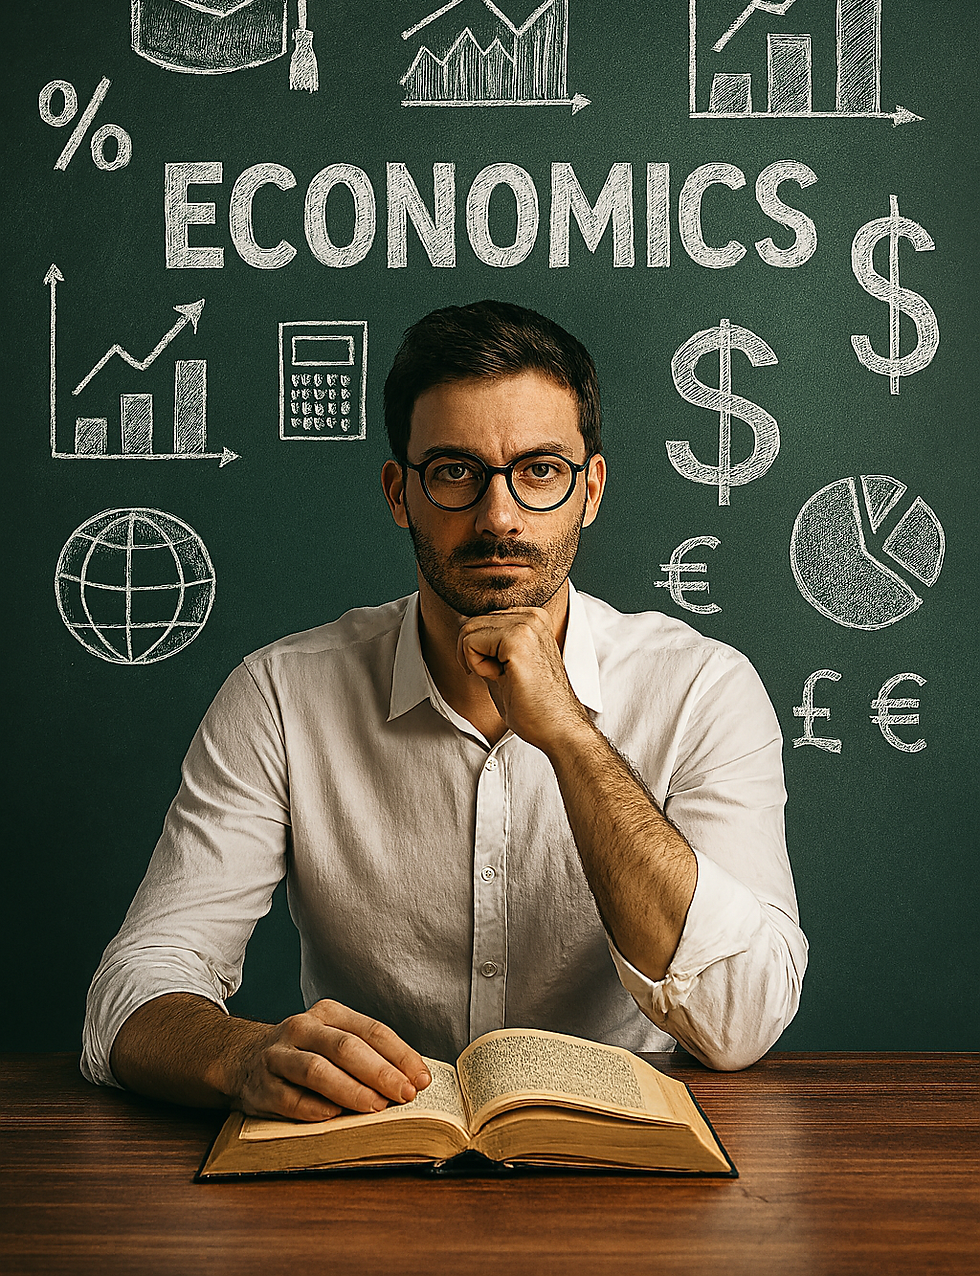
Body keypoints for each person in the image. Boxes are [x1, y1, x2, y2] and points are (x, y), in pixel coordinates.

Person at [82, 299, 806, 1121]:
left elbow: (742, 1021)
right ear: (400, 491)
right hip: (365, 1160)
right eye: (456, 471)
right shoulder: (281, 696)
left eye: (539, 470)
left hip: (623, 1172)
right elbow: (133, 993)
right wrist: (240, 1054)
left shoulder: (704, 689)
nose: (499, 517)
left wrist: (569, 734)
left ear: (590, 489)